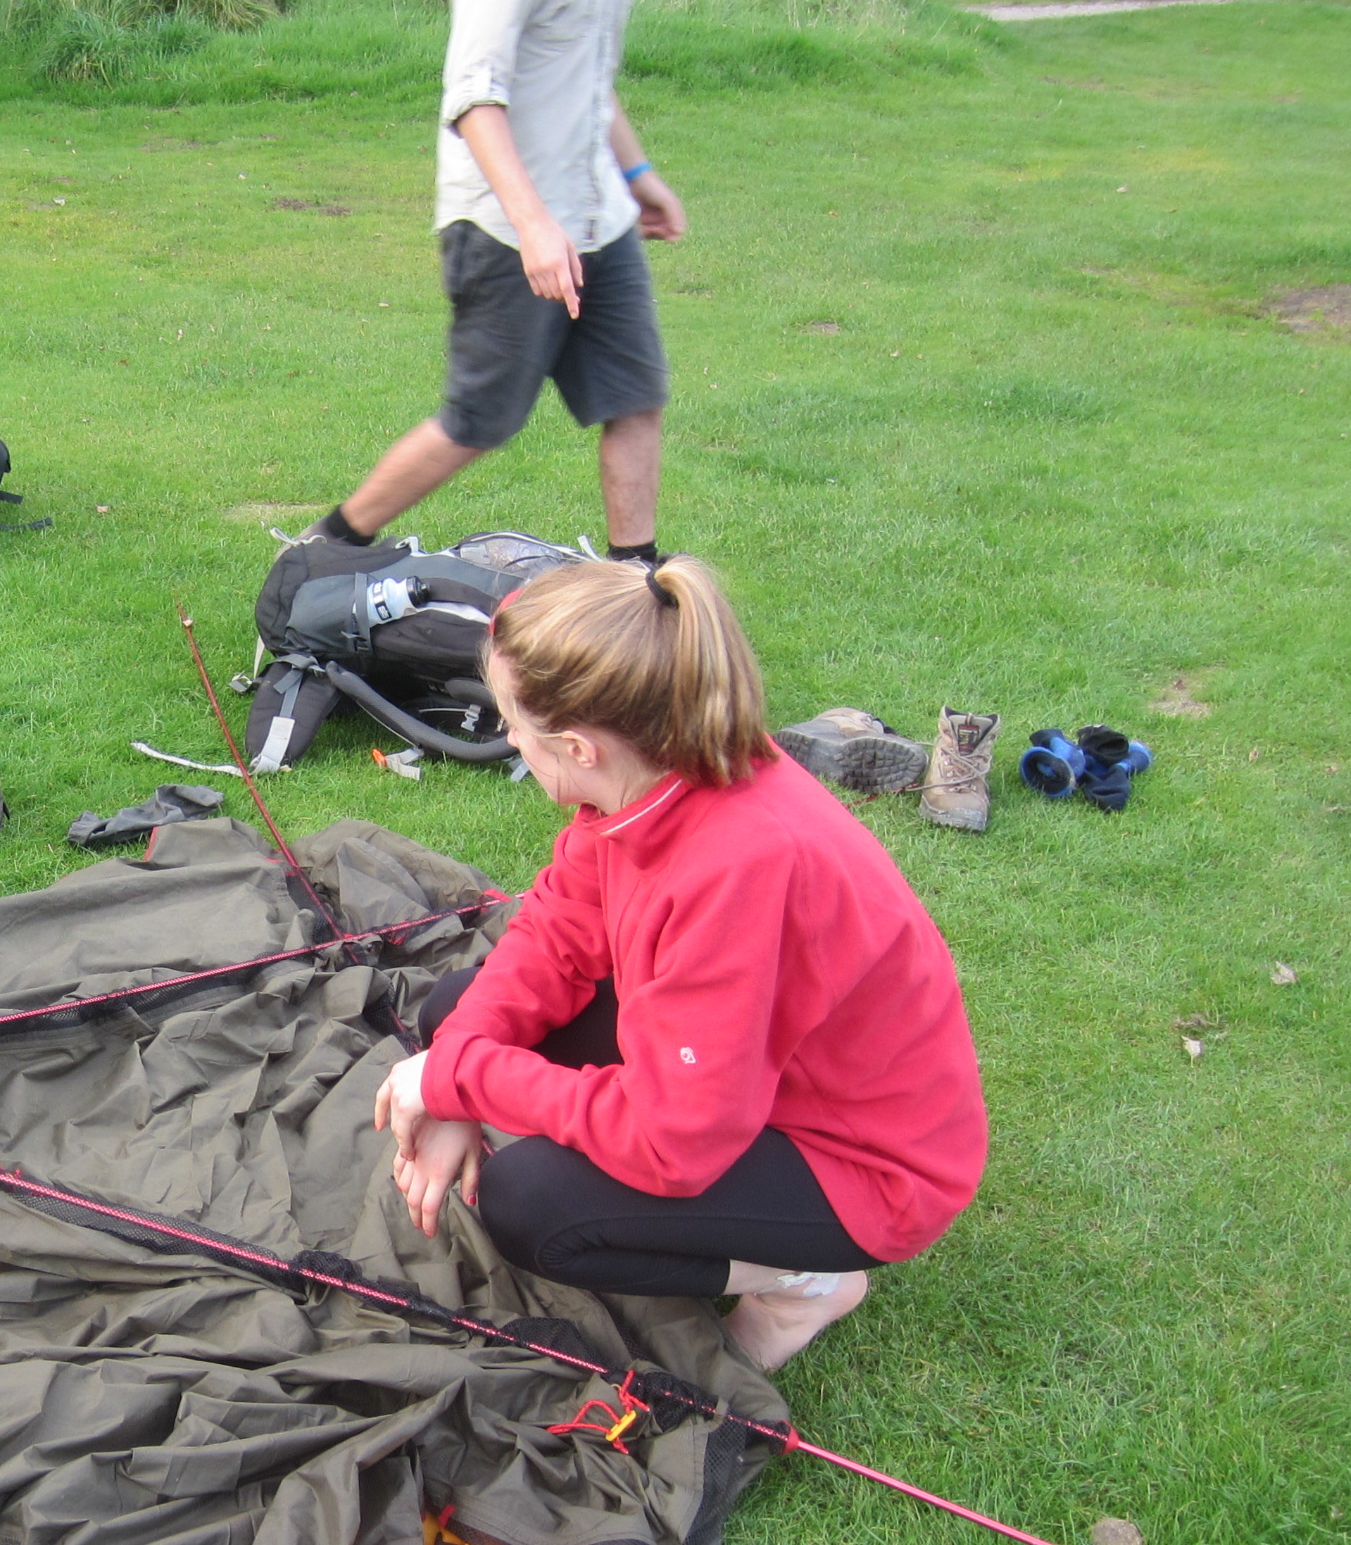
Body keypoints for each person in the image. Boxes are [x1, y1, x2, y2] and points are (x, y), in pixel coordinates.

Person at [373, 557, 987, 1370]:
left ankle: (807, 1283)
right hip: (748, 1078)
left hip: (859, 1161)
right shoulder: (655, 767)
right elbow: (557, 931)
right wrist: (456, 1074)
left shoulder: (736, 869)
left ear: (578, 747)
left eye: (513, 724)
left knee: (534, 1207)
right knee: (457, 1013)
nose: (509, 738)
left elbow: (672, 1143)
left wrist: (465, 1080)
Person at [313, 0, 684, 564]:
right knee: (479, 421)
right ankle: (325, 549)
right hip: (505, 225)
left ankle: (635, 584)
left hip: (598, 215)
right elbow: (473, 93)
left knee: (635, 398)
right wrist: (534, 226)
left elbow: (587, 71)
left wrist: (636, 172)